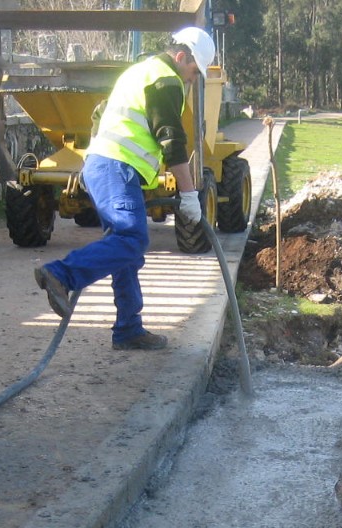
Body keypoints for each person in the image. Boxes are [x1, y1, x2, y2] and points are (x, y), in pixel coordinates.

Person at [35, 26, 216, 351]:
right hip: (116, 167)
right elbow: (173, 140)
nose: (191, 80)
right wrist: (189, 194)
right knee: (132, 240)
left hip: (107, 167)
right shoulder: (165, 79)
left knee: (125, 249)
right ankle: (61, 274)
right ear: (181, 56)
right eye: (193, 72)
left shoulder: (139, 72)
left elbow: (100, 114)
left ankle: (129, 329)